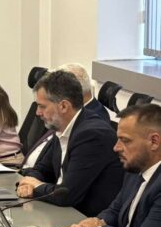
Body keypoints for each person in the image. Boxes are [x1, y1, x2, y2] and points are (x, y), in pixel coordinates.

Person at [56, 104, 161, 227]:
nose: (116, 147)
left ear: (154, 141)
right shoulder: (135, 171)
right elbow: (114, 211)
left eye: (125, 140)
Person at [16, 70, 123, 216]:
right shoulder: (62, 126)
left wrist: (35, 187)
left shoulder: (92, 135)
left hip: (83, 219)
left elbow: (67, 194)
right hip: (60, 210)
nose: (37, 112)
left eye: (42, 106)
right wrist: (29, 182)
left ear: (64, 106)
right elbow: (42, 169)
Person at [21, 62, 110, 171]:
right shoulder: (61, 117)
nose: (38, 112)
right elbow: (45, 167)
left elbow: (68, 177)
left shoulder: (92, 126)